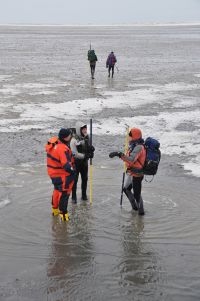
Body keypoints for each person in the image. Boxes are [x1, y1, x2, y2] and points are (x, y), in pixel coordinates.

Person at [109, 128, 146, 215]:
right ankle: (135, 208)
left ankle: (141, 214)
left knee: (137, 195)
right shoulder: (133, 145)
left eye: (130, 136)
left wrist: (119, 154)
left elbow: (131, 160)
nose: (129, 137)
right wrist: (123, 155)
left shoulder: (139, 147)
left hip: (137, 174)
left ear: (135, 136)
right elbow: (129, 158)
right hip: (132, 172)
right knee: (126, 189)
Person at [45, 128, 76, 221]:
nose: (71, 137)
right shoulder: (62, 149)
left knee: (56, 190)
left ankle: (55, 211)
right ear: (66, 138)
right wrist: (73, 171)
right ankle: (64, 216)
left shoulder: (54, 144)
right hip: (62, 175)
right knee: (65, 194)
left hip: (53, 174)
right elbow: (66, 166)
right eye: (70, 135)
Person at [70, 121, 95, 203]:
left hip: (84, 162)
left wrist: (91, 150)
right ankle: (74, 197)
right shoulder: (73, 140)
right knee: (75, 180)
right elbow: (74, 153)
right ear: (78, 130)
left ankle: (84, 196)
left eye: (86, 128)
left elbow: (88, 148)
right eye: (83, 129)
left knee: (85, 179)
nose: (85, 130)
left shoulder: (87, 137)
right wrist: (85, 155)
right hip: (76, 163)